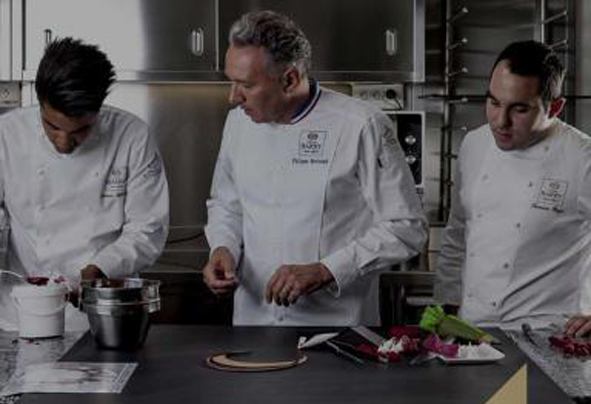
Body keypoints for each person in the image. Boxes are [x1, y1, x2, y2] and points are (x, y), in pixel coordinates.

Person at [203, 10, 426, 326]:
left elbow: (407, 227)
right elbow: (227, 205)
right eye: (231, 82)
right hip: (254, 324)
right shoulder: (238, 123)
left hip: (336, 329)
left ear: (290, 79)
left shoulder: (362, 125)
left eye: (246, 85)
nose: (233, 98)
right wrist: (222, 248)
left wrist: (326, 270)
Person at [0, 37, 169, 329]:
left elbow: (147, 228)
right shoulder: (7, 135)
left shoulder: (132, 137)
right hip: (24, 311)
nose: (63, 142)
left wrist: (98, 270)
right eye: (52, 126)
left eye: (80, 130)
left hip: (101, 312)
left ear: (99, 109)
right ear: (40, 103)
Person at [434, 40, 591, 336]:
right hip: (472, 333)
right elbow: (458, 232)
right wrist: (445, 306)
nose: (500, 121)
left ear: (555, 108)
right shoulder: (474, 144)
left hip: (549, 337)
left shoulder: (582, 159)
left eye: (519, 109)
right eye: (493, 103)